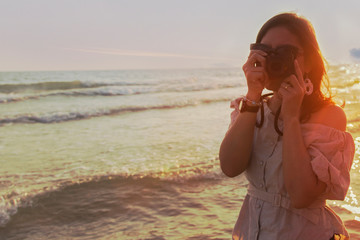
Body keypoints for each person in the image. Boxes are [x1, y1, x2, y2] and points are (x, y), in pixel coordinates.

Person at [219, 13, 355, 240]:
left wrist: (291, 118)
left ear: (309, 61)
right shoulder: (252, 110)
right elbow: (230, 167)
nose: (274, 61)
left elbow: (301, 195)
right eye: (266, 52)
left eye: (284, 52)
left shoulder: (329, 116)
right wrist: (253, 96)